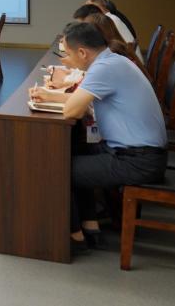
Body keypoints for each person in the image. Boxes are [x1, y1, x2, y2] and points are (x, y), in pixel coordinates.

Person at [30, 22, 167, 255]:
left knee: (55, 168)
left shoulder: (104, 68)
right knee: (76, 151)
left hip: (137, 160)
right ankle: (89, 226)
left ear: (82, 53)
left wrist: (56, 97)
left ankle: (75, 237)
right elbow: (83, 102)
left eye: (67, 54)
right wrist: (48, 95)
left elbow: (73, 111)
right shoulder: (113, 61)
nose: (66, 59)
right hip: (137, 153)